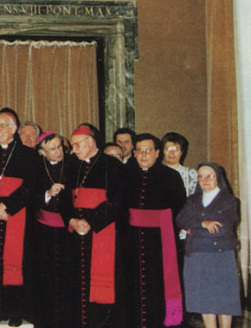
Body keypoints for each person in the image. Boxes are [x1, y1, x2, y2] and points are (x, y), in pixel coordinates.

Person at [121, 133, 187, 328]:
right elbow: (120, 206)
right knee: (133, 285)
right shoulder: (127, 175)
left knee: (157, 285)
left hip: (159, 241)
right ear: (134, 153)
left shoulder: (170, 176)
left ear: (157, 153)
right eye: (139, 150)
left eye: (148, 150)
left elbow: (179, 207)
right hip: (131, 239)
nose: (143, 154)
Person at [0, 111, 36, 326]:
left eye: (2, 126)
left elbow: (30, 187)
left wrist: (7, 206)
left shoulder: (28, 155)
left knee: (16, 262)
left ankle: (15, 311)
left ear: (13, 129)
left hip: (16, 214)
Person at [64, 124, 123, 328]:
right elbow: (64, 198)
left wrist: (90, 221)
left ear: (91, 141)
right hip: (74, 233)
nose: (74, 150)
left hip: (101, 231)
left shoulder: (112, 165)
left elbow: (117, 201)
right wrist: (71, 219)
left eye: (77, 145)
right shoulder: (70, 164)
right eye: (72, 146)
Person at [176, 163, 240, 328]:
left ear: (218, 178)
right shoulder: (193, 200)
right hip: (196, 256)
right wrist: (203, 223)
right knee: (204, 300)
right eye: (201, 176)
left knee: (224, 301)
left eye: (209, 176)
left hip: (220, 255)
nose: (205, 180)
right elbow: (180, 220)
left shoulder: (229, 201)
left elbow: (222, 229)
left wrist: (193, 229)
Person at [30, 132, 75, 328]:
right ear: (42, 152)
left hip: (67, 231)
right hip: (43, 231)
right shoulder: (36, 168)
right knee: (45, 276)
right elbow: (29, 196)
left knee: (67, 276)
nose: (58, 153)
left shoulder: (72, 165)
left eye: (59, 147)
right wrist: (48, 194)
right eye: (52, 149)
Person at [161, 132, 197, 196]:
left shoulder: (191, 174)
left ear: (181, 152)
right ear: (163, 151)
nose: (172, 153)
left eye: (176, 149)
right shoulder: (157, 173)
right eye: (168, 149)